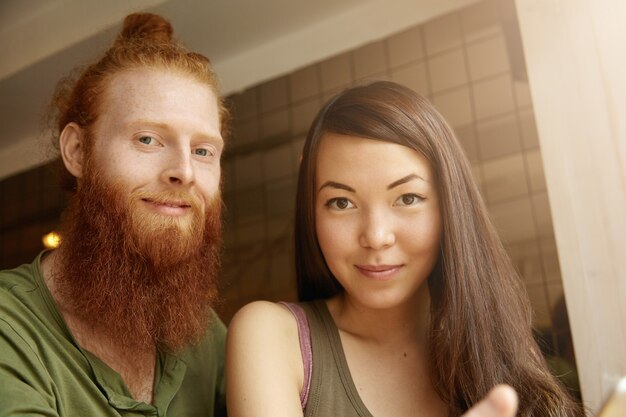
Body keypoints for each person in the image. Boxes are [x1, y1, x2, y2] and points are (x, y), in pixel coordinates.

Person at [226, 81, 585, 416]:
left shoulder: (500, 349)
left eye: (408, 198)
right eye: (340, 202)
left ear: (448, 205)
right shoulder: (272, 337)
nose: (377, 236)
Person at [0, 13, 228, 416]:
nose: (185, 172)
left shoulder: (207, 337)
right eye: (147, 139)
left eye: (203, 150)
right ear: (77, 151)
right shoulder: (10, 327)